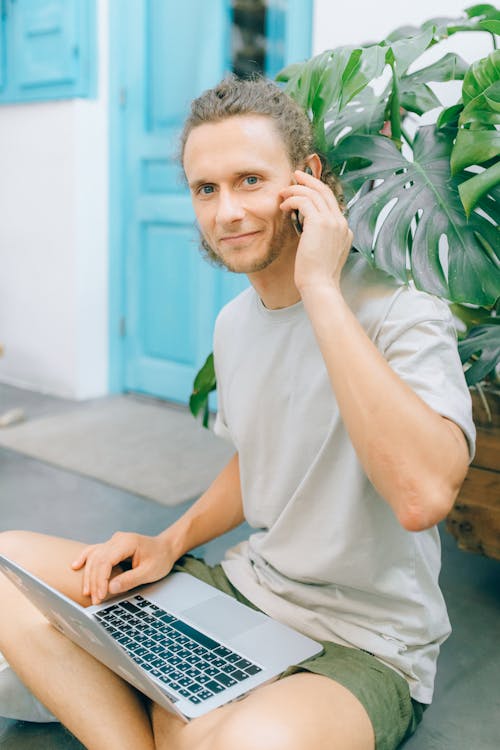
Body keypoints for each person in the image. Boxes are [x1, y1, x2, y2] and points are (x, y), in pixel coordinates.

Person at [0, 76, 475, 750]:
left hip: (362, 644)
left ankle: (161, 703)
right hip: (243, 592)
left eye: (250, 180)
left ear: (307, 181)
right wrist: (171, 541)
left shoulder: (402, 315)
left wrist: (319, 290)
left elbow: (422, 495)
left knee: (236, 741)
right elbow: (261, 456)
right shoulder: (235, 324)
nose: (227, 212)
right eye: (206, 189)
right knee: (8, 567)